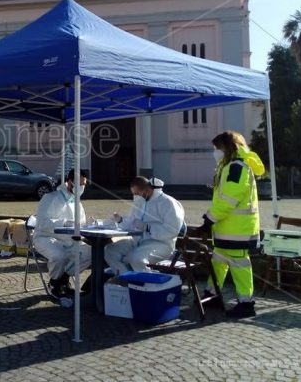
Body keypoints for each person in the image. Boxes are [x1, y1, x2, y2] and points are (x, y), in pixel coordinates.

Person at [199, 130, 265, 319]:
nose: (215, 152)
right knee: (218, 262)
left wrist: (209, 219)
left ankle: (246, 304)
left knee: (239, 266)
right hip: (227, 229)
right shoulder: (228, 166)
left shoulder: (236, 167)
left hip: (237, 230)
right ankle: (212, 295)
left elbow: (229, 199)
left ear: (227, 147)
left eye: (217, 148)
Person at [33, 168, 92, 303]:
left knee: (90, 253)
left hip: (69, 240)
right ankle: (55, 284)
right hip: (45, 237)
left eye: (84, 184)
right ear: (70, 181)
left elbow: (79, 224)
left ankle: (62, 279)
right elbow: (42, 223)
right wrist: (64, 223)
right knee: (59, 255)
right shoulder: (51, 198)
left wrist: (88, 224)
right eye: (80, 184)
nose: (82, 187)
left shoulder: (76, 201)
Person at [104, 176, 184, 274]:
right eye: (134, 194)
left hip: (161, 245)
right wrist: (120, 220)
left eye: (137, 193)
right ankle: (127, 278)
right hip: (138, 242)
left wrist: (148, 228)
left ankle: (148, 284)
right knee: (110, 251)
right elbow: (132, 223)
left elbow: (172, 230)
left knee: (136, 258)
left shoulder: (168, 203)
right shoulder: (140, 202)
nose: (136, 196)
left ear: (147, 189)